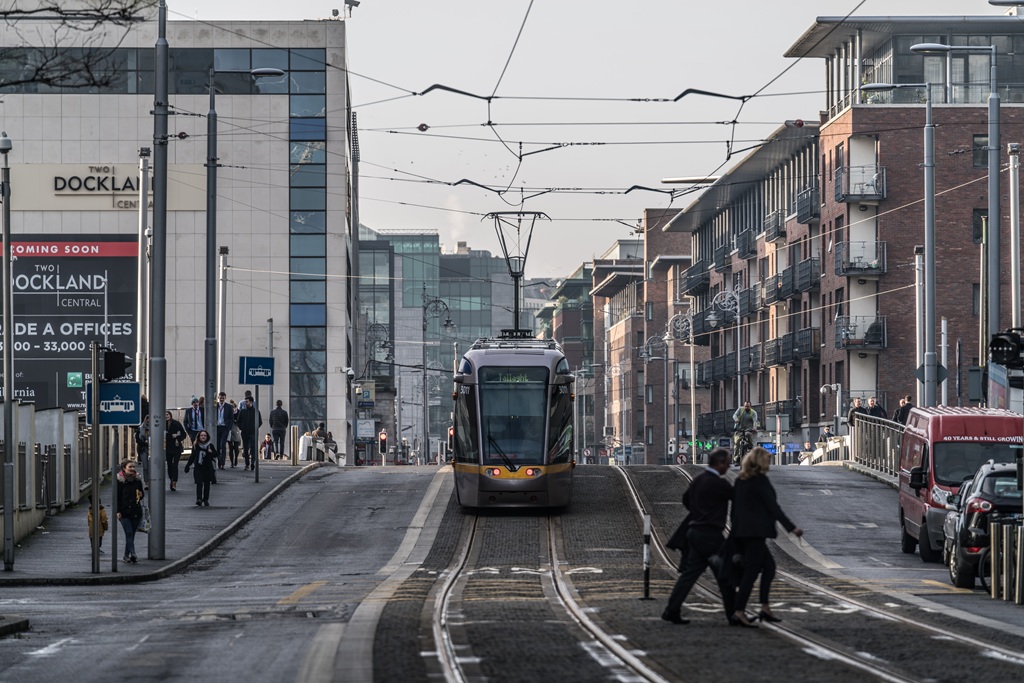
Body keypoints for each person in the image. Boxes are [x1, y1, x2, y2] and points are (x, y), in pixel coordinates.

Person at [730, 447, 803, 627]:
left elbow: (734, 509)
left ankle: (765, 607)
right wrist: (792, 528)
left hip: (743, 533)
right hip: (755, 534)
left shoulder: (740, 480)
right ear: (761, 462)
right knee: (751, 573)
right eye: (768, 460)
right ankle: (739, 611)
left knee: (769, 567)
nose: (770, 464)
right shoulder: (760, 481)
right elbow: (773, 507)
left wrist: (735, 531)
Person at [662, 448, 736, 625]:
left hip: (694, 533)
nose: (728, 466)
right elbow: (737, 497)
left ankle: (672, 609)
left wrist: (697, 513)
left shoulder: (697, 480)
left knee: (690, 575)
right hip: (711, 535)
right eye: (726, 463)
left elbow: (686, 499)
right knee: (725, 574)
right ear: (718, 463)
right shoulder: (720, 484)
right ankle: (733, 614)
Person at [115, 459, 145, 563]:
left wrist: (141, 495)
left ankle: (126, 556)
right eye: (130, 467)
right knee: (128, 532)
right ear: (124, 469)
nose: (133, 469)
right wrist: (117, 511)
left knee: (131, 535)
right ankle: (133, 553)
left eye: (133, 467)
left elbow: (141, 494)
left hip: (136, 511)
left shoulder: (137, 480)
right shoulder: (120, 481)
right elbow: (116, 498)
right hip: (124, 512)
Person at [184, 429, 218, 506]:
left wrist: (211, 452)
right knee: (199, 483)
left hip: (207, 468)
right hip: (198, 467)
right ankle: (199, 499)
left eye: (204, 435)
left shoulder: (210, 445)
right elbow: (192, 456)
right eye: (201, 435)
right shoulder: (196, 446)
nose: (203, 437)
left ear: (207, 437)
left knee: (207, 484)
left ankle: (206, 499)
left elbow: (216, 454)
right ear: (199, 437)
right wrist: (188, 465)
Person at [235, 396, 263, 470]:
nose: (245, 403)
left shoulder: (256, 411)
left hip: (253, 433)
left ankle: (253, 462)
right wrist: (241, 428)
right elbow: (238, 421)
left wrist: (255, 427)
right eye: (245, 401)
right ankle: (247, 463)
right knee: (246, 448)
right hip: (245, 433)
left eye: (246, 401)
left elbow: (260, 422)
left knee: (253, 448)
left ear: (251, 402)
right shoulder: (242, 411)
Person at [164, 410, 187, 492]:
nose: (166, 416)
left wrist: (178, 438)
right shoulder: (162, 425)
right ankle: (171, 479)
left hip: (176, 447)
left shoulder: (176, 423)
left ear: (170, 415)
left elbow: (183, 434)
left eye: (168, 414)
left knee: (175, 464)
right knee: (169, 465)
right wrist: (171, 435)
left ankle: (174, 482)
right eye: (165, 415)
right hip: (167, 447)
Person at [214, 391, 235, 469]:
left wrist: (228, 428)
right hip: (217, 428)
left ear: (225, 398)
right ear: (218, 398)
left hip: (224, 428)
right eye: (220, 398)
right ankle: (219, 461)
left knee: (223, 445)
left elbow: (231, 418)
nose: (222, 399)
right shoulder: (215, 406)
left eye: (223, 398)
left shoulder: (229, 407)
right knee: (217, 446)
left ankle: (222, 463)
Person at [227, 400, 242, 467]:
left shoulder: (238, 412)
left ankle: (236, 458)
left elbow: (240, 420)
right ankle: (231, 462)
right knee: (230, 447)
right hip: (230, 429)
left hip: (236, 429)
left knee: (236, 447)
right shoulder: (228, 413)